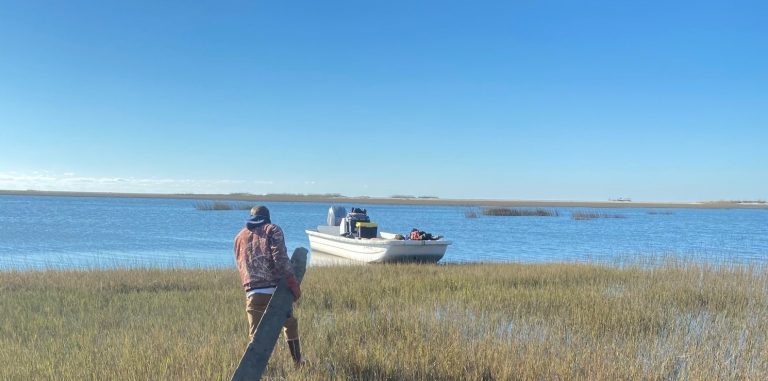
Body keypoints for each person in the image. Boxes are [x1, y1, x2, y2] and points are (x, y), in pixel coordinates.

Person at [233, 205, 303, 365]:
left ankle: (259, 371)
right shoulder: (273, 230)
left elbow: (241, 265)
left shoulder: (239, 237)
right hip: (275, 292)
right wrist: (294, 285)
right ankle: (298, 362)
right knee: (290, 324)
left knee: (255, 338)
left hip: (252, 294)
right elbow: (281, 260)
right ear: (267, 217)